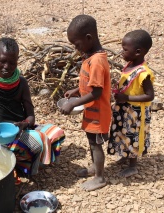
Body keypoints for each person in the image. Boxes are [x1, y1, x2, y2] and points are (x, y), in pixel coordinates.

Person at [0, 37, 65, 182]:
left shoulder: (21, 83)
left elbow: (30, 116)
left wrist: (24, 124)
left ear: (18, 60)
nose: (6, 66)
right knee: (40, 141)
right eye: (2, 61)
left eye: (12, 63)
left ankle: (17, 162)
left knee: (57, 133)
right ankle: (20, 165)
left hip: (20, 131)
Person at [59, 15, 111, 191]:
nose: (75, 48)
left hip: (98, 112)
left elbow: (97, 92)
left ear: (89, 38)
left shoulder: (96, 61)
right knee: (91, 141)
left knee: (95, 143)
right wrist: (76, 91)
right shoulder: (90, 56)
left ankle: (100, 177)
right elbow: (90, 85)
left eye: (77, 44)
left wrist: (73, 103)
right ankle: (95, 168)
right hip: (92, 111)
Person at [108, 30, 155, 177]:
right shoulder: (129, 65)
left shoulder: (143, 73)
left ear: (138, 52)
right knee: (123, 133)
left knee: (133, 135)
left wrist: (127, 98)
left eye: (125, 49)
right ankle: (124, 154)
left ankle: (133, 165)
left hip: (136, 113)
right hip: (124, 109)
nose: (121, 51)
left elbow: (149, 96)